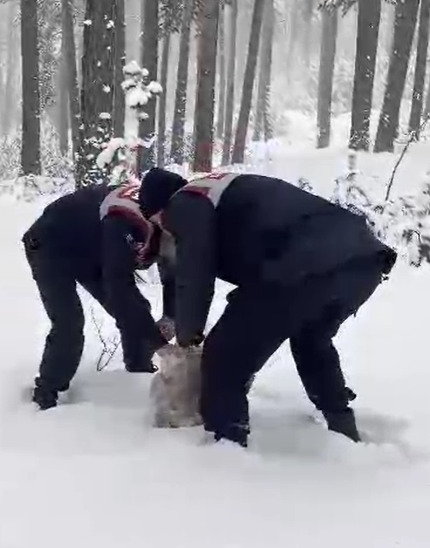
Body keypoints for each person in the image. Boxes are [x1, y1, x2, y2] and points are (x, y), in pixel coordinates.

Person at [138, 169, 397, 447]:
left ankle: (226, 446)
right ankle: (342, 427)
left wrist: (188, 335)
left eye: (156, 221)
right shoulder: (219, 189)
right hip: (363, 261)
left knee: (225, 354)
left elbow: (195, 270)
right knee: (312, 340)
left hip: (300, 264)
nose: (164, 229)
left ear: (160, 206)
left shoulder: (185, 201)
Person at [23, 178, 178, 410]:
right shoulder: (125, 221)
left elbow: (172, 273)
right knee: (69, 322)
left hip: (91, 246)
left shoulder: (168, 215)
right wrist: (159, 344)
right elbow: (119, 288)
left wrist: (171, 316)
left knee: (137, 309)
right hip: (49, 243)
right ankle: (46, 395)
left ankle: (138, 373)